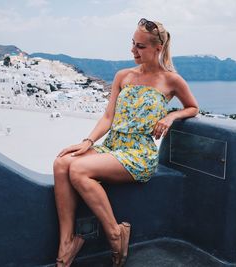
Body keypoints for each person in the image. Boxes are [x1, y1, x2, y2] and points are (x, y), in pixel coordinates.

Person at [53, 18, 199, 267]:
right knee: (61, 163)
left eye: (140, 46)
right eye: (133, 44)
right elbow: (108, 117)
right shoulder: (123, 75)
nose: (133, 51)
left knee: (77, 169)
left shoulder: (171, 80)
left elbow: (193, 108)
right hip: (112, 146)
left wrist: (171, 115)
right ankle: (67, 242)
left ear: (157, 48)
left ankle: (114, 233)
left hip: (138, 153)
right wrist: (87, 142)